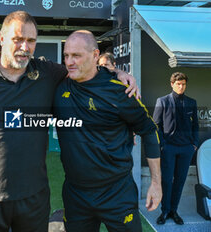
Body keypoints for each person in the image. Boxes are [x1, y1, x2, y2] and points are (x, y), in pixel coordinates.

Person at [0, 11, 139, 232]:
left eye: (31, 41)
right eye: (18, 40)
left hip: (34, 198)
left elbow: (83, 68)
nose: (25, 47)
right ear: (3, 39)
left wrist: (114, 72)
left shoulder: (46, 73)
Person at [52, 30, 162, 232]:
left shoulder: (120, 90)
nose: (69, 61)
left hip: (117, 192)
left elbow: (149, 130)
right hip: (76, 194)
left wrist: (156, 183)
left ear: (95, 55)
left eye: (76, 55)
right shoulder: (57, 85)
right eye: (66, 55)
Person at [153, 72, 198, 225]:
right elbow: (156, 125)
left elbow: (195, 125)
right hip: (169, 148)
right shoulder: (162, 101)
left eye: (183, 84)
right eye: (178, 84)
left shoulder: (192, 102)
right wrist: (163, 144)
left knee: (180, 181)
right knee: (166, 180)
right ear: (172, 84)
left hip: (186, 149)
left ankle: (174, 210)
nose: (181, 86)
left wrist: (194, 144)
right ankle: (164, 211)